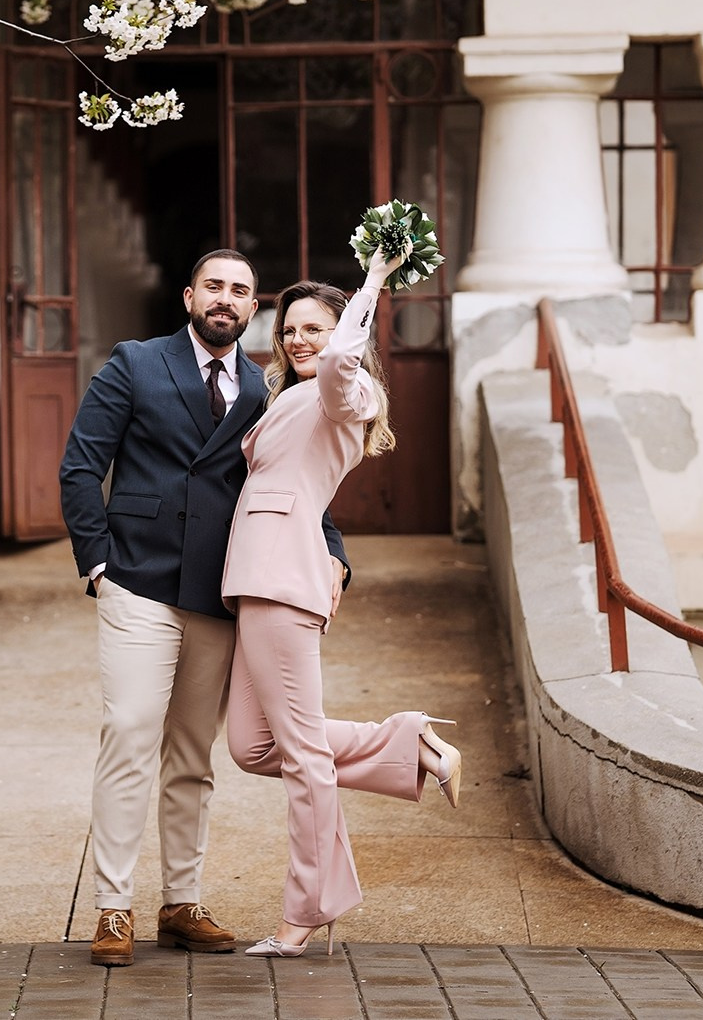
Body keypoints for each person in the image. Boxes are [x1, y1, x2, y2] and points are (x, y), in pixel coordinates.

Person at [59, 248, 351, 968]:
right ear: (190, 294)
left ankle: (180, 901)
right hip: (137, 579)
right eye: (214, 285)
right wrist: (98, 563)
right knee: (129, 733)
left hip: (220, 589)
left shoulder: (268, 387)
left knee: (193, 754)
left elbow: (298, 480)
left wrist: (336, 550)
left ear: (254, 311)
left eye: (241, 291)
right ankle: (113, 906)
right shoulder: (135, 361)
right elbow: (80, 463)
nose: (226, 298)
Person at [221, 248, 463, 958]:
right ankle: (410, 744)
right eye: (289, 327)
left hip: (281, 584)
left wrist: (375, 282)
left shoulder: (344, 393)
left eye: (314, 328)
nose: (298, 338)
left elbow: (338, 366)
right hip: (255, 582)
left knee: (301, 757)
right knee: (252, 745)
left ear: (342, 337)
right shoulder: (291, 397)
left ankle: (307, 909)